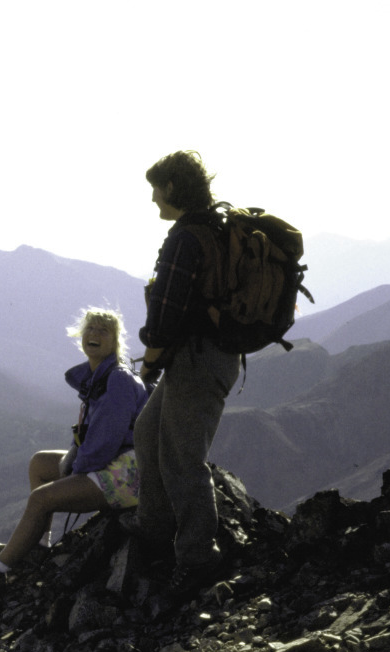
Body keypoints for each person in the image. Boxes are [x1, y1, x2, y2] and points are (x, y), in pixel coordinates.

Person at [0, 307, 149, 601]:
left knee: (41, 498)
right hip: (112, 462)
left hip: (128, 473)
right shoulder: (99, 377)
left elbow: (106, 440)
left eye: (103, 331)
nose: (94, 334)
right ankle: (38, 548)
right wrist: (74, 463)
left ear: (115, 342)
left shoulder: (117, 380)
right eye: (90, 329)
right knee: (40, 464)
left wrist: (75, 468)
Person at [125, 150, 241, 596]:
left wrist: (149, 360)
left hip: (195, 359)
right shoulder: (215, 227)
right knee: (148, 430)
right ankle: (154, 525)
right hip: (204, 355)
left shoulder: (184, 239)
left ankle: (197, 556)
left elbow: (166, 317)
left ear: (172, 188)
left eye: (157, 187)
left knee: (182, 457)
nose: (153, 198)